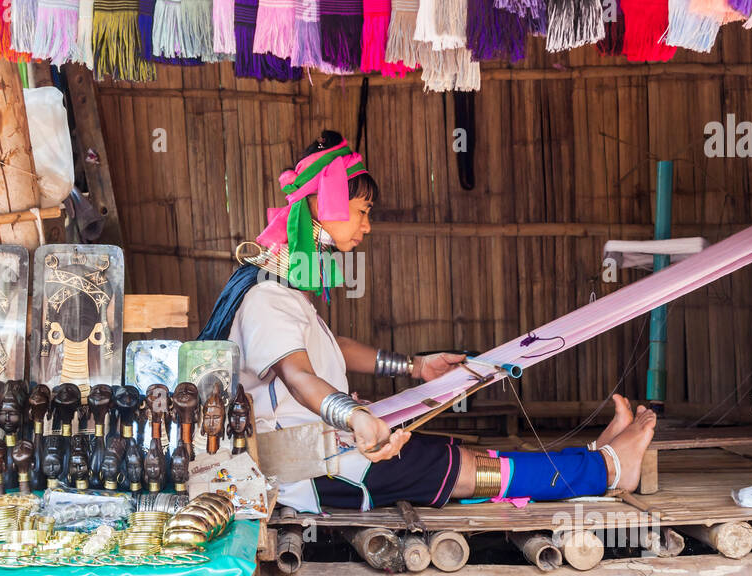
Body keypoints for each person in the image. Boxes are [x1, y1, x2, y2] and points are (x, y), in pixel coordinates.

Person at [198, 130, 657, 512]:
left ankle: (595, 460)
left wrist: (415, 367)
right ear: (327, 205)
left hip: (329, 452)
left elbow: (330, 347)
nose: (367, 226)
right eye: (361, 212)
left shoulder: (279, 291)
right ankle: (610, 470)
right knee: (452, 468)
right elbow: (298, 376)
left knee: (449, 454)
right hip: (309, 475)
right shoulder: (266, 296)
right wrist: (355, 414)